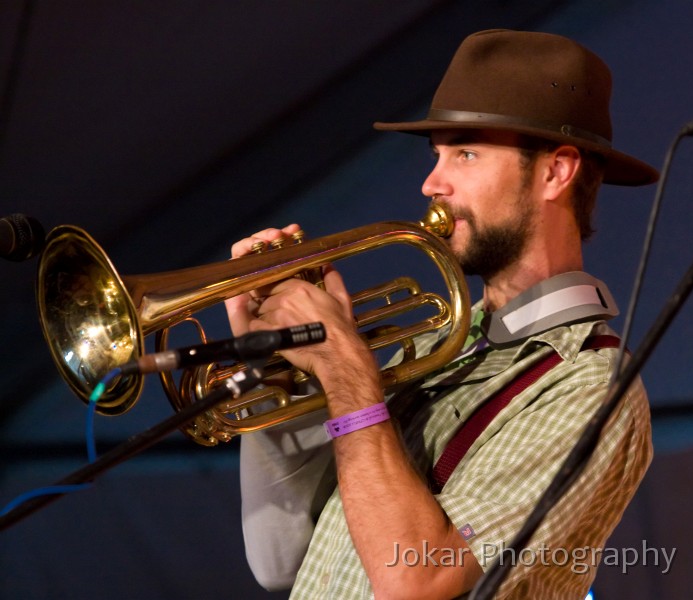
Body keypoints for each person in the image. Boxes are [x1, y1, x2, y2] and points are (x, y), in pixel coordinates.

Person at [225, 29, 656, 599]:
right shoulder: (435, 347)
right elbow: (278, 558)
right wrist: (281, 377)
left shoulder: (594, 386)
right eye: (437, 155)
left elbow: (419, 577)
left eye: (467, 152)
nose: (432, 182)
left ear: (556, 172)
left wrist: (352, 380)